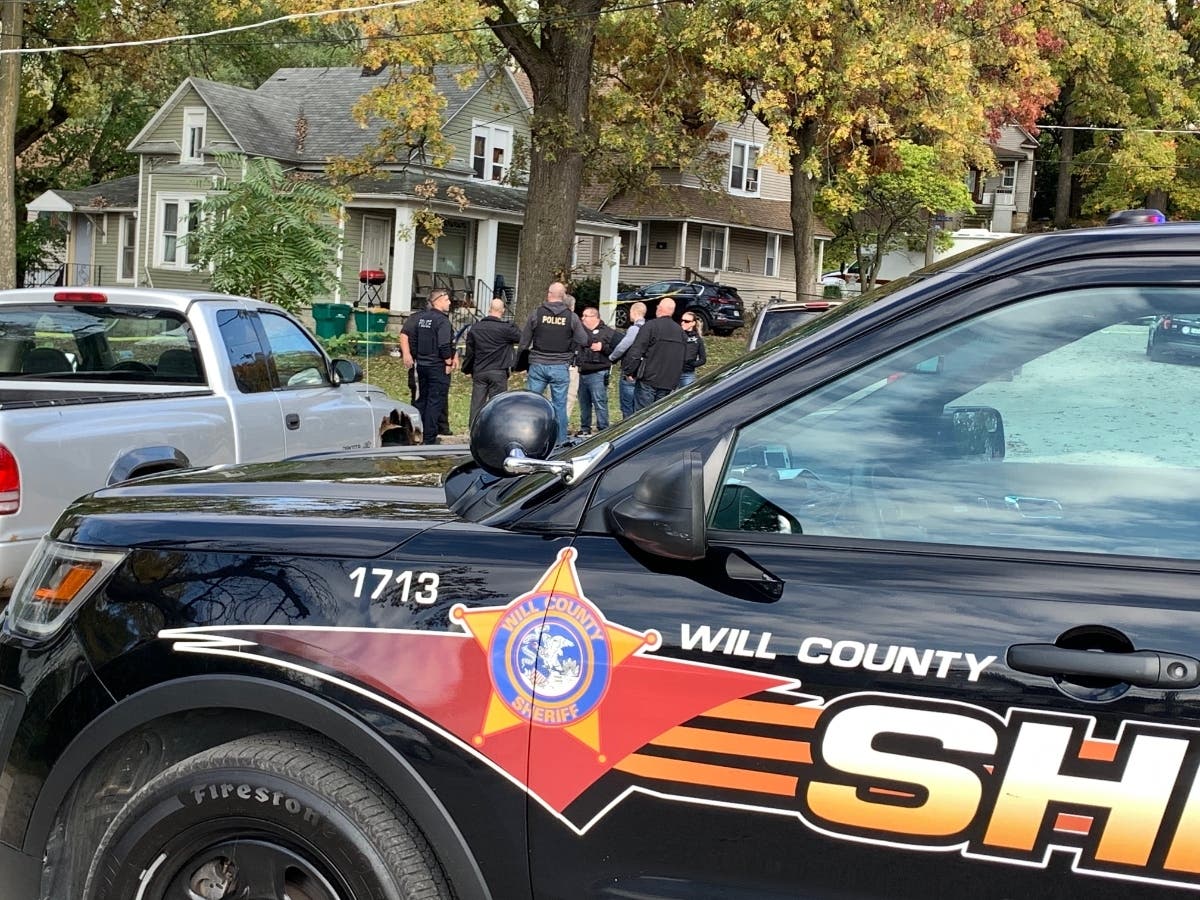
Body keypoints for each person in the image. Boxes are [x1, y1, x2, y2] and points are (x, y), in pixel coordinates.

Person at [518, 281, 588, 444]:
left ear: (549, 294)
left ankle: (528, 438)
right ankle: (560, 441)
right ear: (563, 296)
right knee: (559, 405)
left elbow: (524, 342)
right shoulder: (571, 317)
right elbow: (583, 340)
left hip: (538, 364)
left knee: (532, 404)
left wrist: (520, 363)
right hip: (560, 366)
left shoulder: (537, 314)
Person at [400, 288, 456, 445]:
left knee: (421, 400)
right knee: (435, 402)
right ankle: (429, 439)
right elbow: (444, 344)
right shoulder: (442, 321)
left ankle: (418, 434)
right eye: (447, 300)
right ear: (438, 301)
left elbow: (413, 338)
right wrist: (448, 362)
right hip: (437, 366)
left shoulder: (421, 319)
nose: (450, 303)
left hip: (421, 365)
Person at [464, 297, 521, 428]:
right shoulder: (506, 329)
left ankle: (474, 429)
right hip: (498, 371)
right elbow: (521, 337)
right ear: (502, 311)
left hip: (480, 371)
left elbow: (470, 352)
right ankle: (496, 429)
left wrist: (468, 369)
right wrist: (512, 324)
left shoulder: (476, 328)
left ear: (489, 309)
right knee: (498, 404)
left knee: (477, 404)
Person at [626, 297, 685, 411]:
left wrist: (629, 371)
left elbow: (636, 351)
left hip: (648, 379)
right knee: (660, 415)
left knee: (643, 414)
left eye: (658, 306)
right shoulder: (680, 332)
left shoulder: (651, 326)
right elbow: (684, 358)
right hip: (668, 382)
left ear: (660, 308)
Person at [574, 307, 619, 436]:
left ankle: (603, 429)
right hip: (582, 371)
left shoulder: (608, 332)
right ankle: (585, 428)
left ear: (595, 317)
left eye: (586, 316)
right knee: (584, 403)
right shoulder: (580, 332)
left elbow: (618, 350)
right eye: (582, 315)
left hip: (599, 372)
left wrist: (603, 347)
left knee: (600, 402)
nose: (582, 318)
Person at [608, 301, 646, 420]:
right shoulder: (649, 328)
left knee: (627, 404)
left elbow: (623, 346)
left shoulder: (634, 329)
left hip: (630, 370)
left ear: (633, 312)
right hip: (643, 370)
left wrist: (612, 357)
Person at [678, 312, 707, 388]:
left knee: (687, 393)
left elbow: (703, 359)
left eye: (686, 321)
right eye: (682, 320)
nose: (683, 323)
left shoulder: (697, 339)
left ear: (693, 323)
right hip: (672, 373)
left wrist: (692, 364)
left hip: (687, 374)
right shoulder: (676, 335)